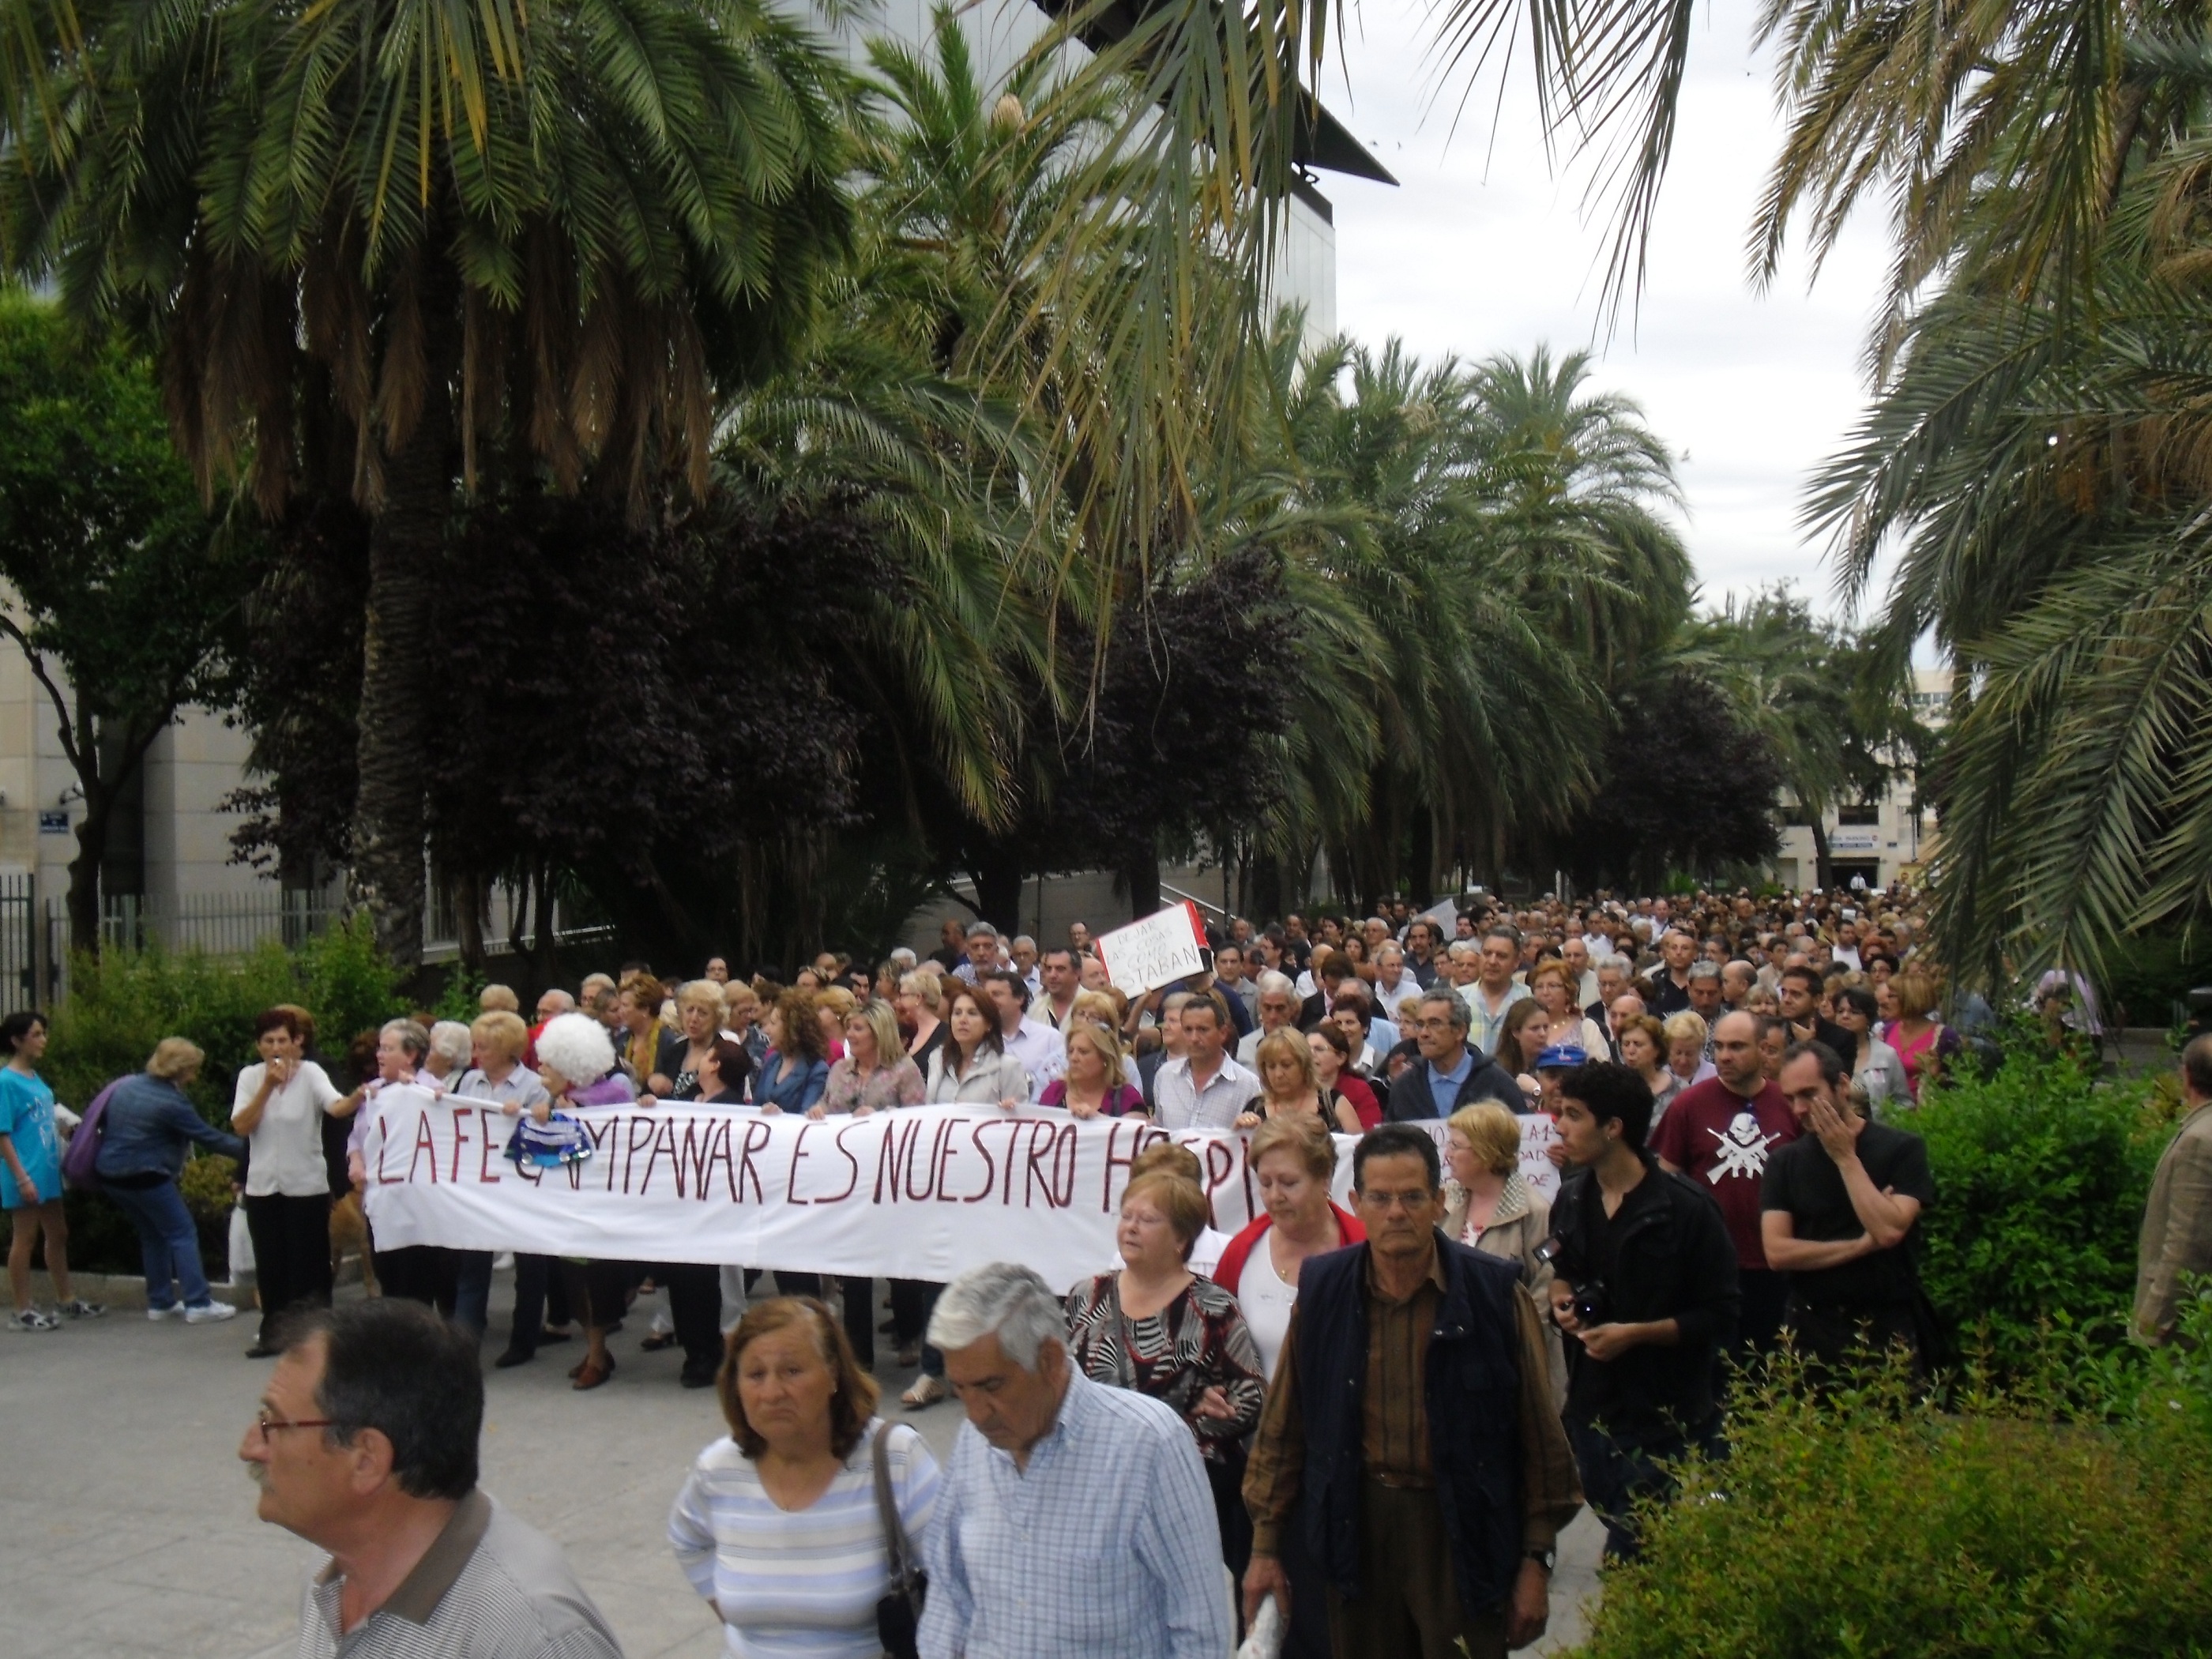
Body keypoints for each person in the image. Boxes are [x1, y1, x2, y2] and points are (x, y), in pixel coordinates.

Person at [1242, 1123, 1580, 1659]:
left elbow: (1540, 1436)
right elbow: (1286, 1424)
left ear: (1439, 1201)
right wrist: (1264, 1548)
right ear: (1356, 1202)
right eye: (1379, 1198)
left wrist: (1537, 1560)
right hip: (1357, 1527)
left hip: (1462, 1533)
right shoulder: (1325, 1290)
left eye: (1412, 1197)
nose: (1396, 1212)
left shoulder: (1493, 1294)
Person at [242, 1298, 620, 1659]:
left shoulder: (535, 1638)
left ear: (367, 1460)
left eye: (272, 1424)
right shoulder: (332, 1574)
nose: (250, 1447)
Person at [920, 1262, 1233, 1659]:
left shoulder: (1149, 1446)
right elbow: (949, 1591)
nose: (976, 1414)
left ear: (1049, 1360)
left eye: (991, 1386)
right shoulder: (974, 1442)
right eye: (960, 1389)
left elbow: (1200, 1632)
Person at [669, 1296, 941, 1659]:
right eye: (755, 1375)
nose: (772, 1392)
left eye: (792, 1371)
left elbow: (957, 1581)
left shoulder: (896, 1459)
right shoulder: (719, 1469)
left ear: (833, 1374)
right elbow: (686, 1539)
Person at [1547, 1060, 1740, 1559]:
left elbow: (1720, 1312)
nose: (1559, 1125)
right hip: (1591, 1406)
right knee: (1615, 1514)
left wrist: (1636, 1334)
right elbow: (1561, 1266)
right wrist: (1562, 1302)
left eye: (1573, 1115)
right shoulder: (1571, 1198)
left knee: (1636, 1546)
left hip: (1660, 1411)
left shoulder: (1686, 1210)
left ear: (1614, 1128)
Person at [1064, 1171, 1268, 1586]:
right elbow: (1062, 1384)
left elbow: (1251, 1397)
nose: (1131, 1227)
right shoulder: (1087, 1294)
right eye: (1126, 1216)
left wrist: (1191, 1422)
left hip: (1183, 1490)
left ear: (1181, 1239)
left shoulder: (1212, 1306)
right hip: (1094, 1485)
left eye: (1148, 1219)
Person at [1762, 1043, 1936, 1375]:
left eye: (1809, 1094)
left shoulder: (1902, 1150)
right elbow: (1777, 1252)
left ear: (1842, 1085)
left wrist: (1845, 1158)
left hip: (1886, 1325)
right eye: (1790, 1098)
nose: (1799, 1109)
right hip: (1812, 1324)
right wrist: (1859, 1246)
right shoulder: (1784, 1162)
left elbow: (1887, 1231)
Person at [902, 988, 1030, 1408]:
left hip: (986, 1194)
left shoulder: (1008, 1067)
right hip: (942, 1189)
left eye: (972, 1013)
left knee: (982, 1280)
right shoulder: (938, 1061)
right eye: (956, 1013)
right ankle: (933, 1371)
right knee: (935, 1277)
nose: (961, 1020)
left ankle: (990, 1369)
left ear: (988, 1022)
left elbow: (1028, 1132)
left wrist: (1013, 1111)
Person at [93, 1037, 246, 1324]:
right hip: (147, 1174)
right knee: (182, 1232)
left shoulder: (127, 1086)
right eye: (193, 1069)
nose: (196, 1075)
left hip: (111, 1175)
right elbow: (209, 1137)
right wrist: (252, 1149)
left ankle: (161, 1302)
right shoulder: (172, 1102)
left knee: (152, 1235)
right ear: (181, 1069)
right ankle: (198, 1303)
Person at [1212, 1115, 1364, 1382]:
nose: (1275, 1197)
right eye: (1265, 1183)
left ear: (1325, 1179)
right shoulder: (1241, 1253)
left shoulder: (1365, 1248)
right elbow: (1212, 1347)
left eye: (1289, 1183)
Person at [532, 1014, 638, 1390]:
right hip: (569, 1208)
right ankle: (597, 1351)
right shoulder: (558, 1099)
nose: (540, 1068)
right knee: (574, 1280)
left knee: (595, 1282)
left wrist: (568, 1122)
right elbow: (541, 1158)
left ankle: (598, 1355)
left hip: (601, 1207)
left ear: (571, 1066)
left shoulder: (611, 1100)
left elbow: (608, 1154)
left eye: (548, 1062)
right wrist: (545, 1119)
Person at [231, 1006, 344, 1357]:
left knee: (309, 1261)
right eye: (269, 1041)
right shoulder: (250, 1078)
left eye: (283, 1039)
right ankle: (274, 1332)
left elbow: (335, 1106)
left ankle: (315, 1335)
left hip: (306, 1183)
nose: (277, 1046)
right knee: (272, 1261)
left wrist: (359, 1098)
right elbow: (242, 1125)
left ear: (297, 1042)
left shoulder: (312, 1073)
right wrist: (268, 1085)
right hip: (264, 1184)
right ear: (259, 1046)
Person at [1440, 1101, 1563, 1404]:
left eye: (1456, 1145)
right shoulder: (1444, 1200)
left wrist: (1502, 1339)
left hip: (1510, 1366)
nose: (1447, 1154)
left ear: (1486, 1151)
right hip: (1449, 1357)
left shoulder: (1533, 1213)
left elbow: (1544, 1294)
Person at [2134, 1033, 2212, 1345]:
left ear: (2187, 1075)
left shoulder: (2199, 1140)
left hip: (2185, 1331)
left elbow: (2185, 1241)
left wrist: (2153, 1322)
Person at [1386, 990, 1522, 1123]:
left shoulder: (1496, 1083)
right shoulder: (1406, 1087)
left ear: (1460, 1031)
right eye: (1420, 1025)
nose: (1424, 1033)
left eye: (1434, 1024)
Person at [1152, 992, 1262, 1130]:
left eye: (1202, 1030)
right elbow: (1160, 1130)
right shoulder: (1165, 1075)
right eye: (1188, 1030)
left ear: (1223, 1033)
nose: (1194, 1038)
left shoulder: (1247, 1085)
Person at [1255, 1029, 1364, 1134]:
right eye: (1271, 1067)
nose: (1278, 1074)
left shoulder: (1332, 1103)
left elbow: (1357, 1147)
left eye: (1286, 1065)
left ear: (1304, 1065)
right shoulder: (1256, 1108)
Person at [1880, 969, 1962, 1104]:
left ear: (1910, 998)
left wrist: (1937, 1075)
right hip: (1889, 1111)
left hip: (1926, 1115)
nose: (1885, 1001)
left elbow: (1959, 1082)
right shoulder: (1886, 1031)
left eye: (1892, 996)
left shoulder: (1945, 1036)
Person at [1037, 1021, 1146, 1118]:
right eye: (1070, 1051)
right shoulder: (1054, 1092)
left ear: (1105, 1058)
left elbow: (1137, 1133)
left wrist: (1099, 1120)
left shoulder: (1126, 1097)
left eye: (1083, 1052)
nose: (1074, 1058)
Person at [1830, 985, 1907, 1115]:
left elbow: (1903, 1102)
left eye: (1854, 1012)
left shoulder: (1886, 1055)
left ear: (1868, 1017)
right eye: (1840, 1011)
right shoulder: (1824, 1050)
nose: (1845, 1016)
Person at [984, 969, 1064, 1090]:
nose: (989, 1001)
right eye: (986, 996)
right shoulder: (980, 1040)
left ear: (1020, 998)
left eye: (996, 994)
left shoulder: (1050, 1038)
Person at [756, 988, 833, 1115]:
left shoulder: (817, 1069)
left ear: (792, 1028)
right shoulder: (773, 1060)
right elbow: (756, 1105)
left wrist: (780, 1116)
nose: (766, 1030)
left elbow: (808, 1114)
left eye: (773, 1023)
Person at [1462, 929, 1532, 1058]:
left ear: (1516, 961)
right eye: (1487, 954)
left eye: (1501, 956)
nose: (1492, 961)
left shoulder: (1529, 1000)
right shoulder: (1458, 999)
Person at [1307, 1022, 1382, 1129]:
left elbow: (1370, 1134)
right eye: (1306, 1049)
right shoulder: (1296, 1088)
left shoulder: (1359, 1090)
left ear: (1341, 1058)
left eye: (1319, 1049)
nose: (1311, 1054)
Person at [1529, 961, 1607, 1058]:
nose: (1545, 992)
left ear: (1568, 991)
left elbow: (1600, 1066)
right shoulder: (1525, 1028)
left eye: (1552, 986)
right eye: (1539, 987)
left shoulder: (1586, 1027)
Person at [1659, 1010, 1715, 1093]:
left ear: (1700, 1050)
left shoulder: (1714, 1076)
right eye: (1678, 1053)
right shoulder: (1659, 1076)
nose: (1683, 1061)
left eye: (1689, 1054)